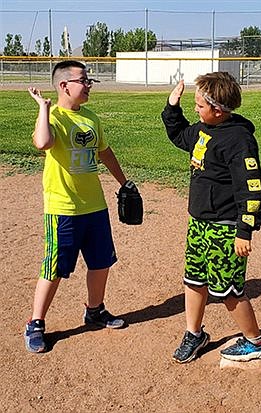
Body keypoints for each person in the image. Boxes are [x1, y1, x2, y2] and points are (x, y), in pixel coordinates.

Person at [161, 72, 261, 363]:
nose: (195, 110)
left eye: (199, 106)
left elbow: (251, 189)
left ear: (218, 110)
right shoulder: (203, 129)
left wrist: (244, 231)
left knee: (229, 290)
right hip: (199, 223)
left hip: (225, 228)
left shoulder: (239, 140)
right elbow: (178, 135)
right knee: (194, 280)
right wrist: (172, 107)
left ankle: (257, 342)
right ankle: (194, 333)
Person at [25, 60, 132, 353]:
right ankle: (35, 323)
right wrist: (43, 108)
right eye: (83, 80)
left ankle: (94, 310)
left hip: (94, 205)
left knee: (101, 262)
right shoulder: (55, 117)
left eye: (88, 81)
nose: (88, 85)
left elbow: (104, 151)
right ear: (64, 86)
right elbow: (43, 143)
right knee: (55, 266)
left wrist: (123, 182)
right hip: (63, 208)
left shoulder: (91, 118)